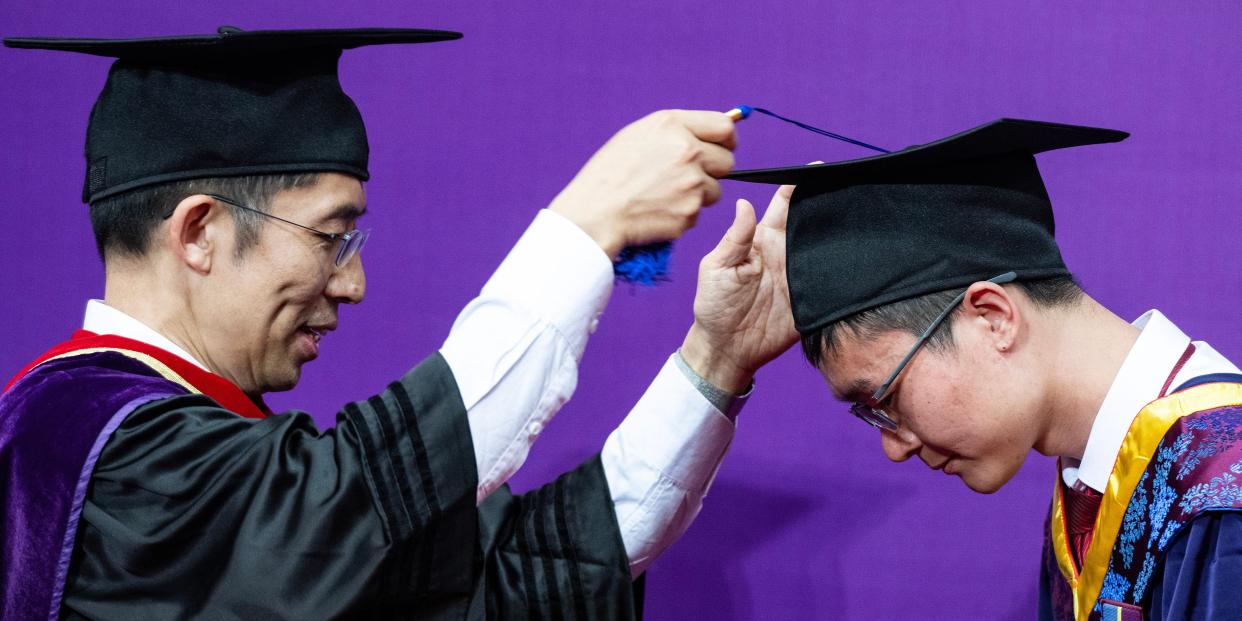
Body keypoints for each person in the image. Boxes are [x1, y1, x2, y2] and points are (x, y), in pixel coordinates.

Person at [0, 27, 799, 619]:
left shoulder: (208, 465)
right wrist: (587, 224)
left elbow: (530, 573)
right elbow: (351, 500)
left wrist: (715, 361)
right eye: (330, 236)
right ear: (200, 232)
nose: (353, 281)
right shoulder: (82, 445)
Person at [728, 118, 1242, 620]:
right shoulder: (1095, 479)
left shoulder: (1221, 490)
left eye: (884, 399)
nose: (894, 446)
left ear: (993, 318)